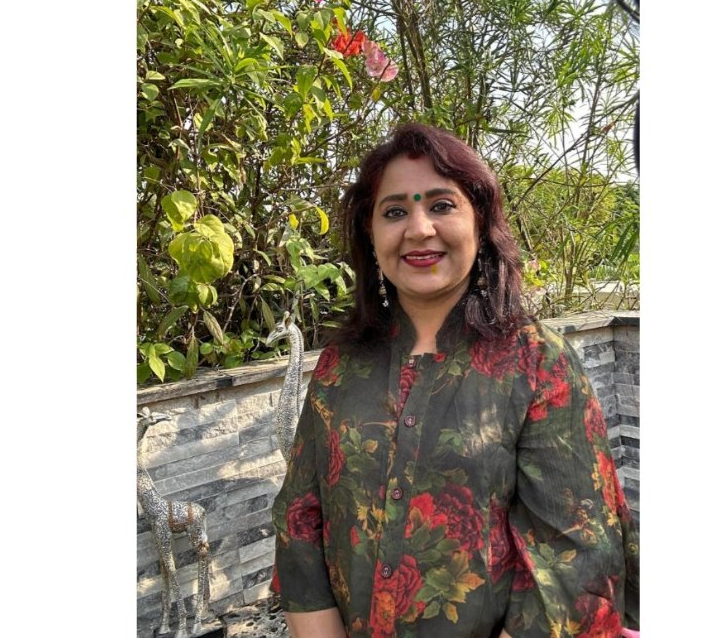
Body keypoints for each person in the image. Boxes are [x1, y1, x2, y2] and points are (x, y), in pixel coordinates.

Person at [271, 123, 639, 638]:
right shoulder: (341, 364)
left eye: (441, 205)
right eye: (394, 212)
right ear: (370, 234)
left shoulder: (537, 362)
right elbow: (300, 521)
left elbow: (574, 557)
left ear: (480, 223)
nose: (419, 229)